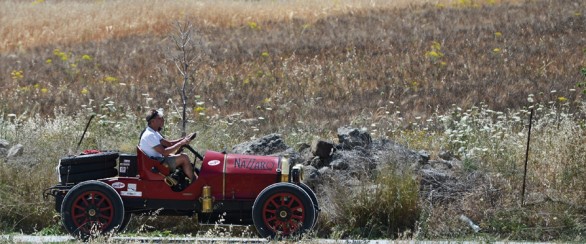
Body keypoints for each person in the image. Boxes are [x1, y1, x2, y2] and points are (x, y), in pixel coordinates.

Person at [139, 109, 196, 182]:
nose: (162, 120)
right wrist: (181, 143)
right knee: (184, 157)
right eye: (159, 118)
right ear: (152, 121)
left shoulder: (154, 132)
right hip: (156, 164)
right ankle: (195, 183)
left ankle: (192, 181)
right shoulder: (150, 135)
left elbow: (169, 144)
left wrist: (184, 139)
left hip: (158, 161)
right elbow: (164, 152)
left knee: (181, 156)